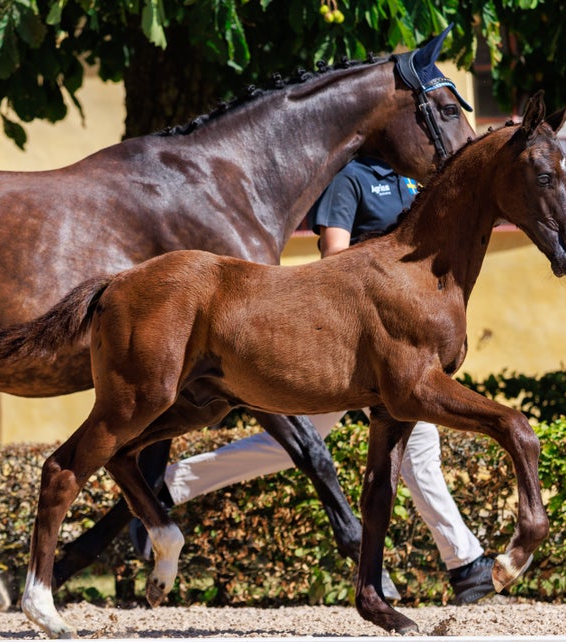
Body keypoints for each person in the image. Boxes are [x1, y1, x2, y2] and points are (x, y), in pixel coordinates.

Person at [135, 157, 495, 604]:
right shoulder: (350, 180)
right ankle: (466, 565)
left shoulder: (414, 180)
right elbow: (334, 256)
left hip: (398, 346)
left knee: (289, 449)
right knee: (417, 451)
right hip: (351, 343)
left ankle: (174, 483)